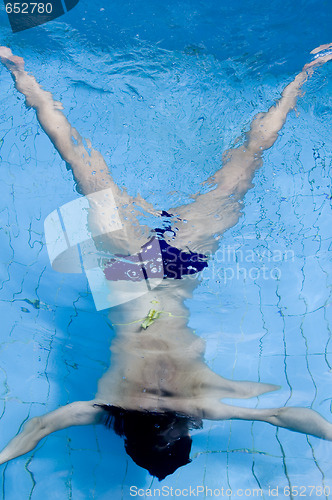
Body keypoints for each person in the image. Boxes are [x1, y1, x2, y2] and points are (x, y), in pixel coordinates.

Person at [0, 44, 331, 481]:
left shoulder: (144, 409)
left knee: (93, 166)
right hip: (143, 273)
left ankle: (301, 79)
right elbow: (281, 415)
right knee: (87, 165)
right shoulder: (141, 409)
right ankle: (301, 78)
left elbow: (281, 414)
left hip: (155, 270)